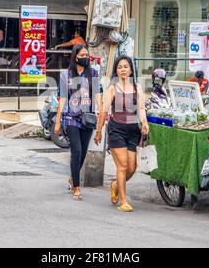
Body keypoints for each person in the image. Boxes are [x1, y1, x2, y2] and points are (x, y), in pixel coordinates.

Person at [94, 55, 149, 212]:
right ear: (116, 71)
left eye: (125, 66)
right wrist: (98, 132)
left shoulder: (137, 87)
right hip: (116, 129)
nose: (123, 69)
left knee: (132, 167)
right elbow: (103, 112)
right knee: (122, 166)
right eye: (120, 67)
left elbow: (141, 108)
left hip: (133, 130)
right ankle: (123, 201)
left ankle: (115, 184)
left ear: (131, 69)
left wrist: (144, 122)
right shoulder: (112, 88)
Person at [54, 44, 102, 200]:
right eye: (83, 55)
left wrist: (102, 113)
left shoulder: (93, 73)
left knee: (82, 153)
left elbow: (98, 97)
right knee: (76, 151)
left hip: (87, 118)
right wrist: (58, 121)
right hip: (70, 117)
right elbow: (62, 98)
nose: (86, 57)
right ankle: (76, 186)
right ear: (76, 57)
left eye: (87, 55)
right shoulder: (65, 75)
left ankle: (72, 178)